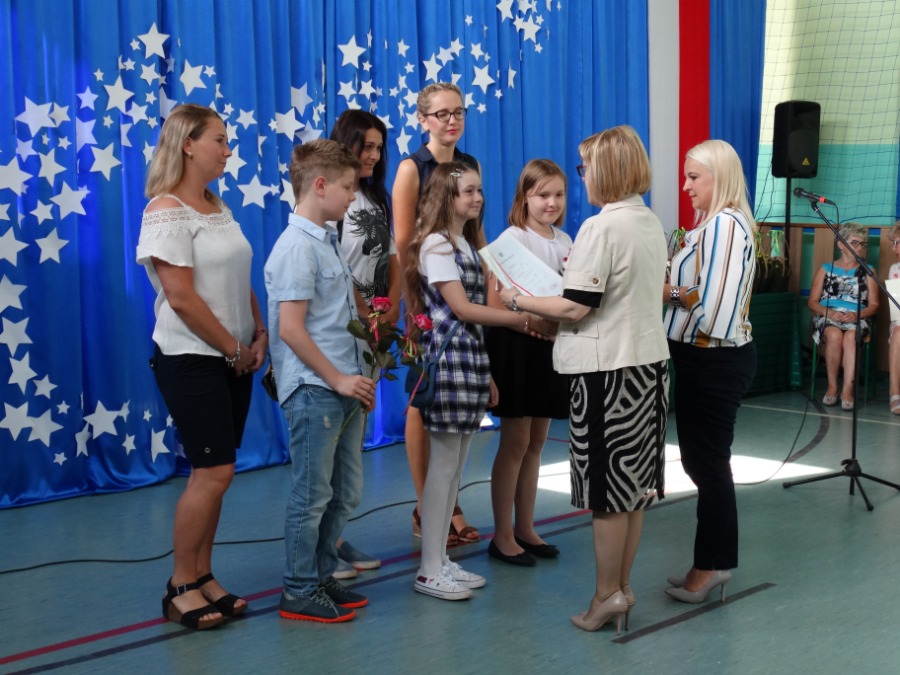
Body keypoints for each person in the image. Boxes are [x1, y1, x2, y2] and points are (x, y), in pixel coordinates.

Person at [500, 126, 670, 633]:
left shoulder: (601, 227)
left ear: (607, 170)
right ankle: (622, 587)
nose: (584, 177)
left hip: (606, 374)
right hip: (647, 368)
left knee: (606, 495)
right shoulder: (649, 221)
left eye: (586, 168)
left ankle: (604, 596)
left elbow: (576, 305)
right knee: (633, 489)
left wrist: (518, 299)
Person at [136, 103, 266, 630]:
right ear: (188, 144)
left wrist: (258, 333)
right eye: (220, 140)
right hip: (192, 358)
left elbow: (239, 277)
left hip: (232, 358)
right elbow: (182, 297)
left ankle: (204, 575)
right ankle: (180, 585)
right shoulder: (164, 210)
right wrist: (233, 349)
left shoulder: (217, 205)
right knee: (211, 472)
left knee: (220, 473)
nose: (228, 150)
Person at [405, 162, 529, 600]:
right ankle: (428, 569)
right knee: (442, 468)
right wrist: (519, 317)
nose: (477, 198)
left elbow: (473, 321)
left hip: (470, 360)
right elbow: (462, 309)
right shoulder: (437, 244)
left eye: (479, 190)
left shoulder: (465, 244)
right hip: (449, 362)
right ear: (447, 196)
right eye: (468, 192)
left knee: (455, 469)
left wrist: (488, 372)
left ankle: (440, 560)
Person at [264, 139, 376, 623]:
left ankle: (321, 572)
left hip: (343, 385)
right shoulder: (295, 247)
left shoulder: (327, 240)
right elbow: (291, 330)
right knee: (312, 494)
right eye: (348, 187)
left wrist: (361, 374)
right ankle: (298, 588)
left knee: (345, 490)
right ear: (321, 185)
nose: (353, 196)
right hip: (316, 388)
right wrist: (339, 379)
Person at [662, 139, 757, 604]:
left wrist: (670, 292)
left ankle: (713, 565)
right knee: (702, 463)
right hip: (704, 358)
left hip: (713, 358)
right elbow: (703, 292)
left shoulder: (724, 225)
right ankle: (708, 560)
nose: (686, 186)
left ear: (720, 177)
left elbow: (714, 314)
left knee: (709, 465)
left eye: (694, 177)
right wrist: (681, 291)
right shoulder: (715, 224)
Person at [393, 82, 482, 545]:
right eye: (442, 113)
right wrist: (413, 310)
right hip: (426, 299)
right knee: (423, 397)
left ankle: (449, 502)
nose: (452, 120)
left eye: (458, 112)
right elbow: (405, 245)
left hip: (462, 293)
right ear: (423, 119)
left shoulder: (468, 165)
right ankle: (424, 506)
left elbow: (475, 235)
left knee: (455, 411)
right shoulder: (411, 168)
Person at [485, 159, 572, 566]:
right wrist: (533, 325)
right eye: (542, 195)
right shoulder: (512, 239)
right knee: (515, 442)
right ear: (524, 197)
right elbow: (495, 303)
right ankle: (502, 535)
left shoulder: (567, 241)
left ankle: (526, 527)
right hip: (517, 346)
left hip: (548, 347)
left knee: (537, 442)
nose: (551, 203)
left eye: (558, 195)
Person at [327, 109, 398, 577]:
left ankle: (333, 536)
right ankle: (321, 546)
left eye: (378, 148)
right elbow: (334, 268)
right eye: (365, 146)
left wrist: (390, 311)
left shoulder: (375, 196)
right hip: (339, 329)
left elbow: (391, 258)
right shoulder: (332, 197)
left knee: (351, 445)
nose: (372, 155)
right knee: (329, 446)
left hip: (372, 332)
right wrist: (363, 315)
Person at [808, 222, 879, 411]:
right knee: (834, 335)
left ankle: (847, 389)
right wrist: (829, 312)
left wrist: (856, 315)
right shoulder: (825, 269)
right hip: (828, 315)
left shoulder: (868, 270)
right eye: (855, 243)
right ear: (841, 244)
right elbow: (812, 302)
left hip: (858, 317)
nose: (860, 248)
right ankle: (832, 387)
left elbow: (874, 305)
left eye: (862, 244)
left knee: (851, 337)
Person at [887, 222, 900, 415]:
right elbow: (896, 310)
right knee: (898, 332)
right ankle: (895, 392)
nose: (893, 248)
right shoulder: (894, 269)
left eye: (897, 242)